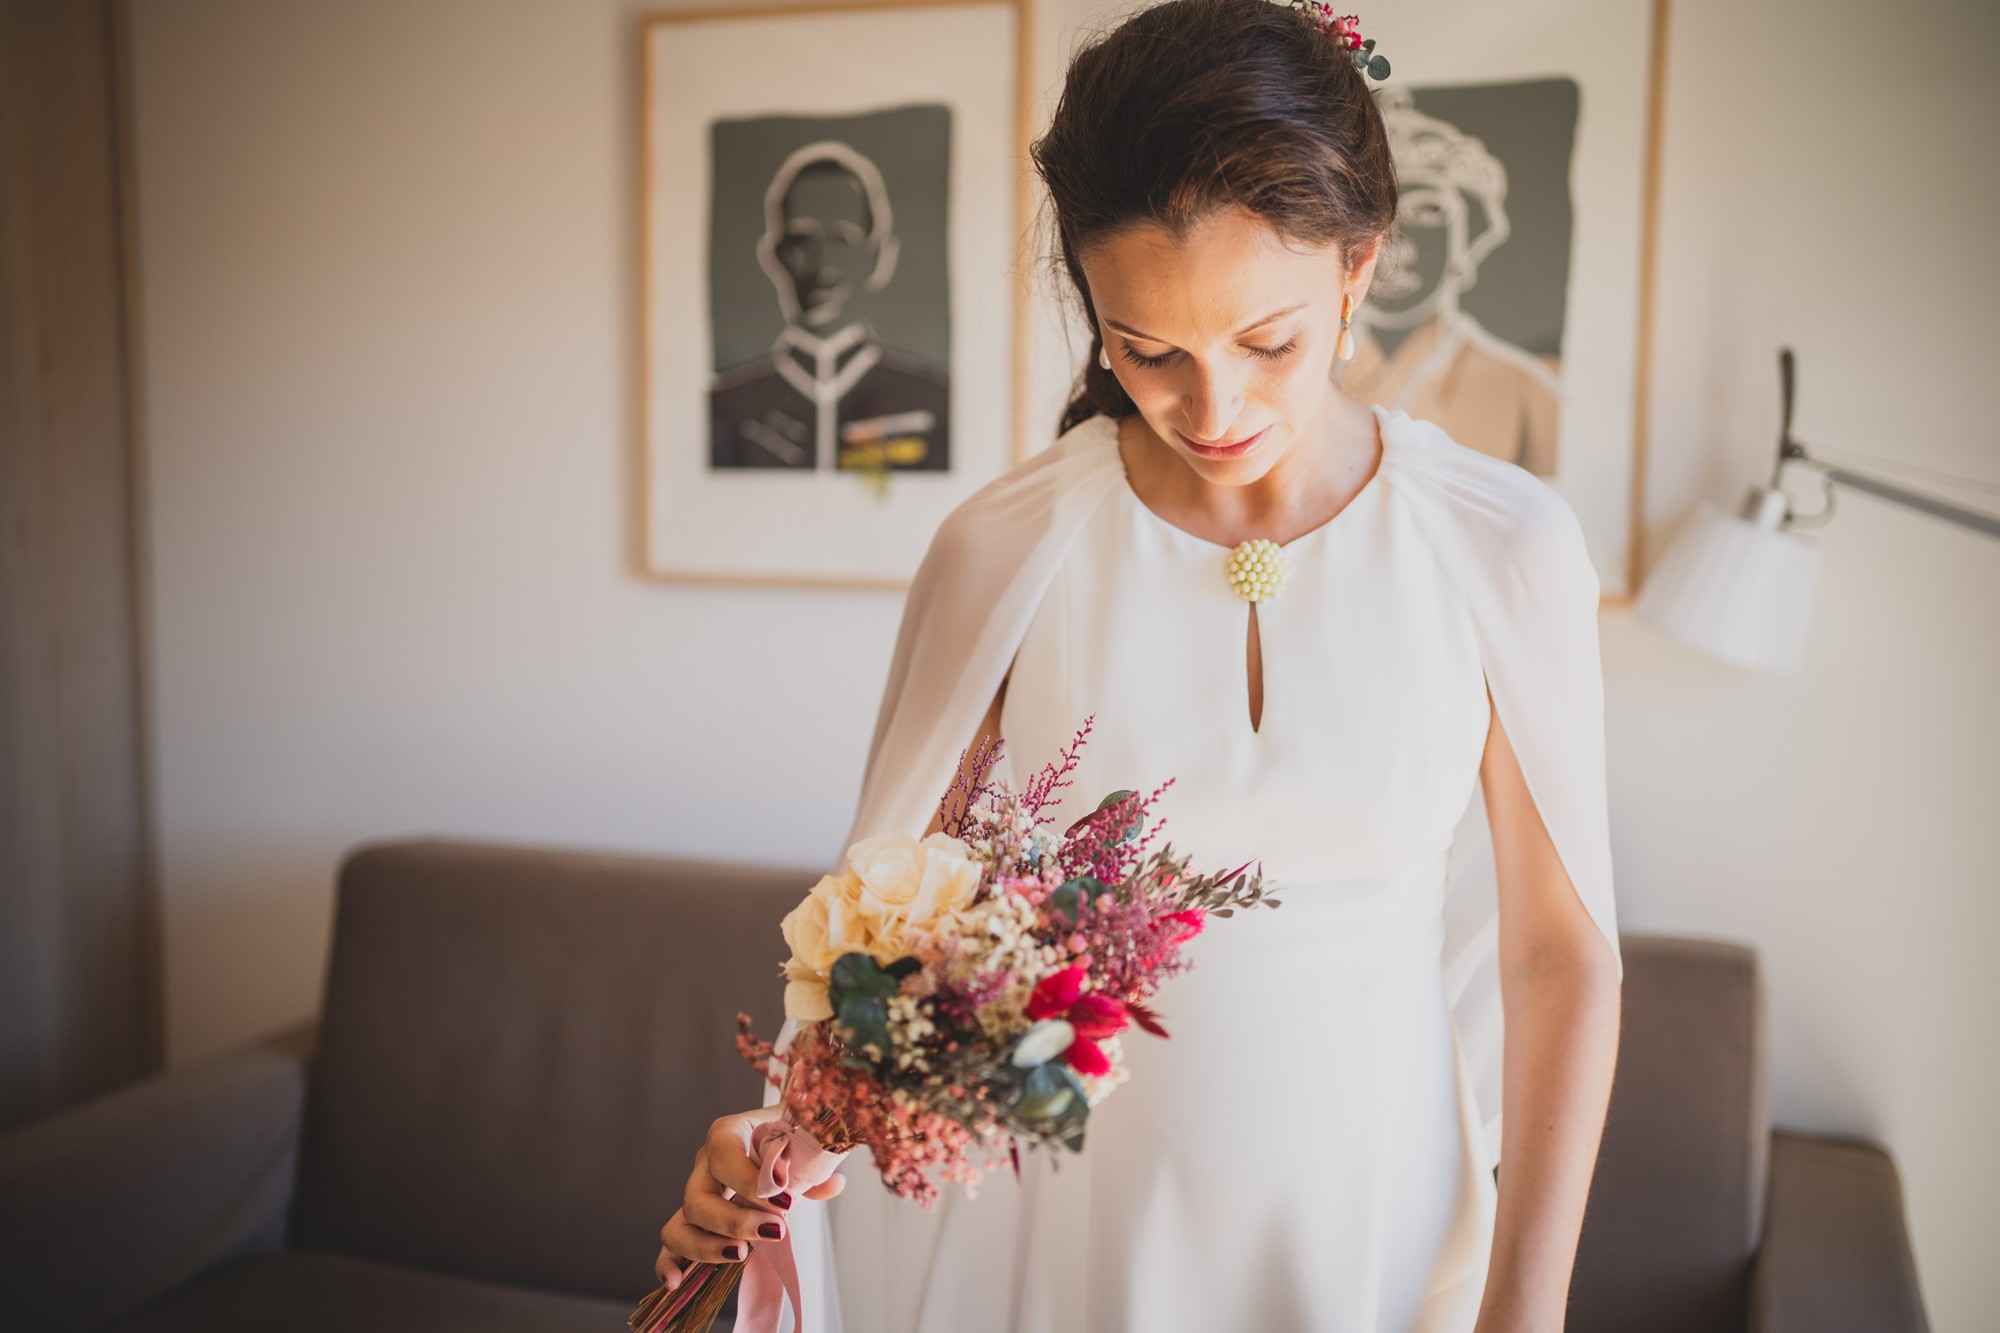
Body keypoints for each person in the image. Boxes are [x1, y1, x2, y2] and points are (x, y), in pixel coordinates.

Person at [656, 1, 1622, 1329]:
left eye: (1265, 343)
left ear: (1359, 268)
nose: (1213, 411)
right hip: (1079, 1241)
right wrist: (786, 1124)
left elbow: (1559, 959)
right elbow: (900, 930)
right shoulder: (1009, 549)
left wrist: (1529, 1307)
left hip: (1380, 1225)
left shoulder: (1501, 544)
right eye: (1147, 351)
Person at [708, 140, 952, 474]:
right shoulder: (727, 406)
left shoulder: (933, 400)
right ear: (775, 255)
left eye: (843, 239)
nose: (823, 265)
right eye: (802, 241)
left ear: (876, 254)